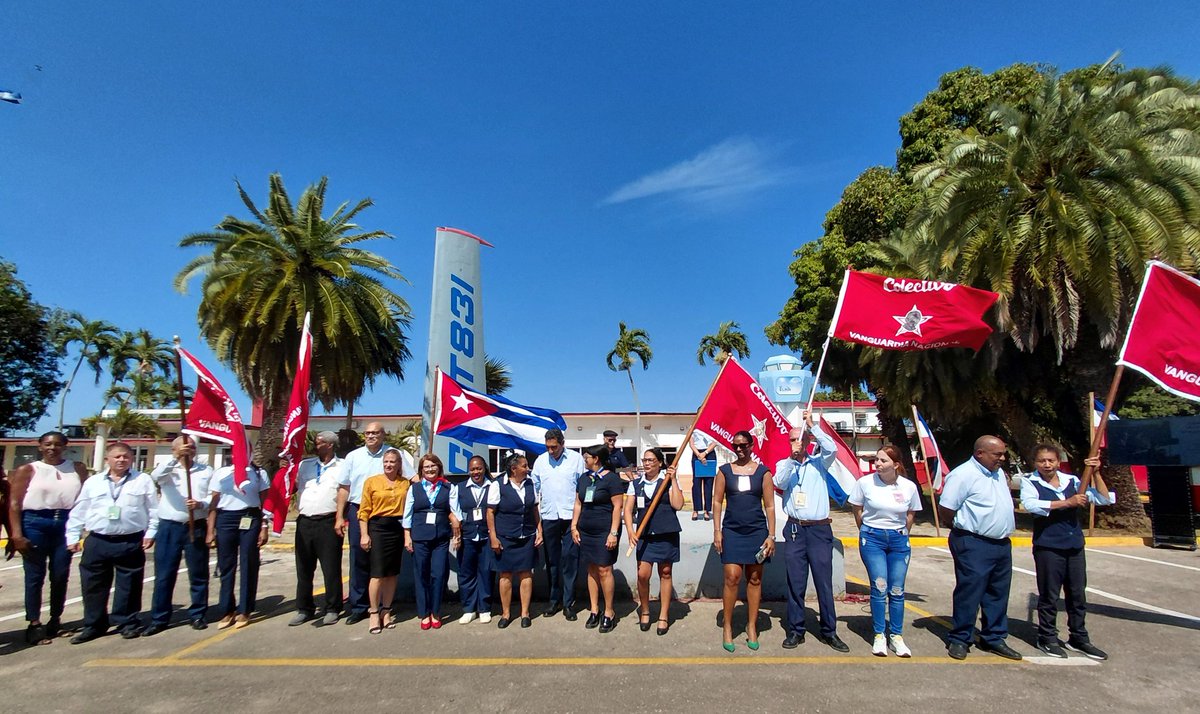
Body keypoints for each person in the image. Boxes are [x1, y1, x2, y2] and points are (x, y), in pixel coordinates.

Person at [1019, 446, 1113, 660]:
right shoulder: (1030, 482)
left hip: (1074, 545)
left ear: (1058, 461)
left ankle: (1078, 637)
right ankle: (1047, 637)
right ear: (1035, 463)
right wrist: (1066, 503)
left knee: (1077, 594)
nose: (1046, 464)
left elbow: (1103, 499)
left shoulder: (1072, 481)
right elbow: (1031, 505)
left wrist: (1096, 473)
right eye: (1042, 460)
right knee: (1049, 595)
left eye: (1050, 460)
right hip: (1048, 546)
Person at [66, 442, 158, 644]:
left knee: (130, 585)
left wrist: (151, 533)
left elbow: (153, 510)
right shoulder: (94, 482)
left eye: (126, 456)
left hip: (130, 540)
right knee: (93, 585)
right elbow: (80, 509)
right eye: (117, 456)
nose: (121, 460)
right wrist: (72, 536)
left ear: (132, 459)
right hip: (98, 540)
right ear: (107, 459)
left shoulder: (142, 480)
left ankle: (127, 623)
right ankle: (94, 625)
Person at [773, 411, 848, 652]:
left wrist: (812, 427)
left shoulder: (819, 463)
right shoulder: (784, 464)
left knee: (823, 581)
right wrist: (792, 460)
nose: (797, 443)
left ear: (808, 442)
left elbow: (832, 449)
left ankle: (829, 631)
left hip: (819, 530)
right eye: (793, 439)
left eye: (801, 439)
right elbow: (780, 482)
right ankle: (796, 630)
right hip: (795, 529)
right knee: (796, 582)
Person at [940, 435, 1020, 661]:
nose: (1002, 458)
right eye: (998, 454)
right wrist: (961, 529)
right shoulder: (963, 475)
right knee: (970, 591)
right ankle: (960, 638)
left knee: (997, 592)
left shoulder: (998, 475)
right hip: (973, 542)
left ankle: (993, 637)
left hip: (1001, 544)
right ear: (980, 454)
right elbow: (947, 509)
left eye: (1003, 454)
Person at [7, 430, 88, 644]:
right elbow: (14, 504)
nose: (53, 448)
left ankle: (55, 620)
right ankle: (34, 623)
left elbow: (84, 501)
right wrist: (16, 535)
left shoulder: (77, 468)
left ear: (65, 446)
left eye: (58, 444)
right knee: (34, 576)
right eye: (48, 444)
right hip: (35, 523)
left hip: (65, 523)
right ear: (40, 446)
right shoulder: (28, 469)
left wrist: (82, 529)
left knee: (60, 574)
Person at [848, 445, 922, 657]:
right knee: (879, 587)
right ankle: (879, 634)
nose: (877, 464)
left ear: (896, 465)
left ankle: (896, 636)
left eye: (883, 461)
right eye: (877, 460)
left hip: (898, 541)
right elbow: (857, 508)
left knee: (897, 589)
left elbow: (910, 513)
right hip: (872, 539)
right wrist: (865, 529)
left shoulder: (908, 487)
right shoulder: (864, 483)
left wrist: (903, 533)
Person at [338, 422, 413, 625]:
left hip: (392, 517)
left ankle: (384, 606)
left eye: (375, 433)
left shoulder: (395, 453)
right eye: (368, 433)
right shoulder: (353, 456)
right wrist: (339, 516)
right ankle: (360, 606)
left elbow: (413, 477)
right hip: (359, 509)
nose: (371, 436)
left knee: (386, 566)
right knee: (359, 558)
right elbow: (344, 487)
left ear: (383, 434)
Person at [713, 430, 776, 652]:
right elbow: (718, 502)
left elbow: (769, 505)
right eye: (735, 445)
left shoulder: (763, 472)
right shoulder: (724, 472)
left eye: (743, 445)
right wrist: (717, 530)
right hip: (732, 531)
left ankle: (751, 626)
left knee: (755, 578)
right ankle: (728, 627)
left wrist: (771, 535)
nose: (739, 449)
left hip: (756, 531)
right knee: (732, 577)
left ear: (751, 445)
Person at [146, 436, 213, 635]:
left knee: (199, 574)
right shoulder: (168, 469)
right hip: (169, 527)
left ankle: (198, 614)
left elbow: (213, 495)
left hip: (196, 525)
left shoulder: (206, 471)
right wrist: (176, 458)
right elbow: (156, 476)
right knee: (164, 575)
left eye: (192, 447)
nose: (189, 449)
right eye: (185, 446)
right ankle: (159, 618)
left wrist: (202, 504)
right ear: (174, 449)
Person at [206, 456, 272, 630]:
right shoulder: (221, 473)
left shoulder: (258, 473)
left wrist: (264, 525)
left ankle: (245, 609)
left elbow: (265, 502)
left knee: (249, 562)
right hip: (226, 518)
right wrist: (210, 530)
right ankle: (227, 610)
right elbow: (214, 502)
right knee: (226, 565)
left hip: (250, 517)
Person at [623, 447, 683, 635]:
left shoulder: (667, 480)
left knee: (665, 572)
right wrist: (630, 531)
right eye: (644, 460)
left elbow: (678, 505)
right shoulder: (636, 483)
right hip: (644, 535)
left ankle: (664, 615)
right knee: (643, 574)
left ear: (659, 462)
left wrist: (672, 479)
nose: (646, 463)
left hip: (666, 533)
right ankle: (646, 610)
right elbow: (627, 509)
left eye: (650, 460)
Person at [290, 431, 345, 627]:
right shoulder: (305, 465)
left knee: (330, 568)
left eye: (320, 441)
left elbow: (343, 492)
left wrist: (340, 518)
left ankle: (332, 608)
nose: (316, 443)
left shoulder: (342, 466)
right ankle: (304, 608)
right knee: (303, 568)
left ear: (330, 445)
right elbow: (293, 486)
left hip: (328, 522)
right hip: (305, 522)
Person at [404, 453, 462, 630]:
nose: (429, 469)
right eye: (426, 467)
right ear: (421, 470)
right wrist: (407, 536)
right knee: (422, 574)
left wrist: (456, 529)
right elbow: (407, 514)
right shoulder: (414, 488)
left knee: (438, 574)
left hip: (440, 537)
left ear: (439, 467)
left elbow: (456, 511)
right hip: (420, 536)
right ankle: (424, 612)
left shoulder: (448, 487)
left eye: (433, 466)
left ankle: (435, 611)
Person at [571, 444, 625, 633]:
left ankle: (609, 612)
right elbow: (578, 503)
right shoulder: (584, 479)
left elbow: (617, 507)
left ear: (597, 459)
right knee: (592, 569)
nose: (585, 459)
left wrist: (614, 532)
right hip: (586, 531)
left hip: (604, 531)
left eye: (587, 457)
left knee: (604, 569)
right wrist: (574, 526)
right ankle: (594, 609)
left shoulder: (611, 479)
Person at [531, 427, 584, 620]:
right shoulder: (540, 461)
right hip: (549, 517)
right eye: (548, 447)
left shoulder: (576, 460)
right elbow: (535, 488)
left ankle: (569, 603)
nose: (551, 451)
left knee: (570, 560)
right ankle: (554, 601)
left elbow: (581, 488)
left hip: (571, 518)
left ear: (562, 443)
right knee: (552, 562)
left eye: (554, 447)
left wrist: (578, 519)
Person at [487, 453, 543, 629]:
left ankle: (525, 613)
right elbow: (490, 512)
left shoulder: (529, 484)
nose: (528, 469)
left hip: (526, 536)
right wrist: (493, 537)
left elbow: (534, 509)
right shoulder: (498, 485)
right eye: (524, 466)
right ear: (514, 468)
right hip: (506, 537)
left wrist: (539, 530)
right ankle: (506, 613)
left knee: (526, 573)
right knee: (505, 575)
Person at [358, 449, 410, 634]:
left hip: (397, 527)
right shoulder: (372, 482)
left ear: (399, 464)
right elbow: (363, 511)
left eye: (392, 462)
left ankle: (386, 611)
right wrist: (364, 534)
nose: (389, 465)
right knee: (378, 573)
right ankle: (374, 612)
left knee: (392, 573)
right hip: (378, 528)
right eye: (386, 461)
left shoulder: (405, 483)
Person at [456, 455, 494, 624]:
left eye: (478, 468)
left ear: (484, 468)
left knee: (486, 572)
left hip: (487, 535)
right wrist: (456, 534)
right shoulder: (460, 488)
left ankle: (484, 608)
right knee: (466, 573)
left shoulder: (493, 486)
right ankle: (469, 608)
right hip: (467, 536)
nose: (476, 472)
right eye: (472, 469)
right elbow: (455, 512)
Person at [689, 430, 717, 521]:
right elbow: (691, 443)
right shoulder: (694, 427)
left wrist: (705, 453)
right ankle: (696, 509)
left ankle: (707, 510)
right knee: (696, 484)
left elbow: (715, 441)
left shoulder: (712, 425)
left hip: (709, 453)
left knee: (708, 484)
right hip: (697, 454)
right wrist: (698, 454)